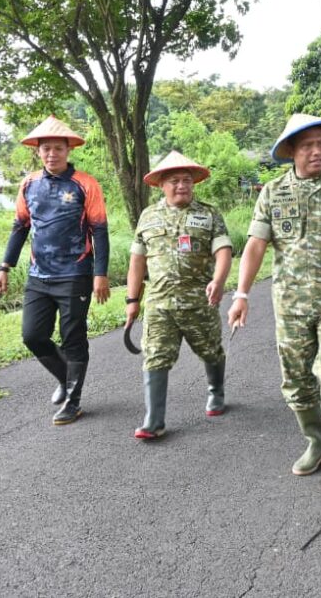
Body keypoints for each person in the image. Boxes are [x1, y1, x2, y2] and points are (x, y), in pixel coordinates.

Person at [228, 114, 321, 500]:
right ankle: (314, 441)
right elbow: (256, 247)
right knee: (296, 382)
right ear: (291, 151)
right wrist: (241, 294)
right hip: (291, 304)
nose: (317, 151)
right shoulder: (273, 192)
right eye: (308, 145)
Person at [0, 115, 110, 426]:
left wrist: (100, 273)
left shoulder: (86, 184)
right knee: (33, 335)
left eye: (58, 148)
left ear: (68, 150)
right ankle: (66, 379)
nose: (51, 154)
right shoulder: (29, 184)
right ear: (38, 151)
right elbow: (20, 226)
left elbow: (99, 230)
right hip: (38, 275)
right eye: (46, 149)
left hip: (75, 273)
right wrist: (4, 267)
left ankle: (73, 400)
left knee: (73, 337)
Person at [127, 151, 233, 440]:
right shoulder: (148, 216)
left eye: (186, 180)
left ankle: (216, 391)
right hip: (160, 304)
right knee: (155, 357)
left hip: (200, 301)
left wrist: (219, 280)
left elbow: (223, 251)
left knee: (211, 350)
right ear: (162, 184)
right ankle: (154, 420)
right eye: (174, 180)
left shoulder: (208, 214)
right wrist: (132, 300)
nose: (182, 185)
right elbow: (137, 260)